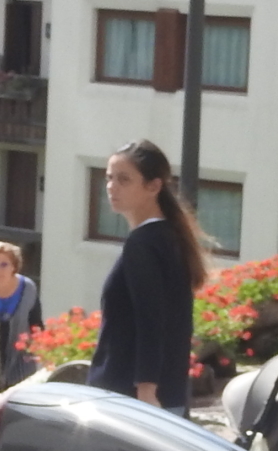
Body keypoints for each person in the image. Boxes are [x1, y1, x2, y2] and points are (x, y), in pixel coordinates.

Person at [86, 139, 206, 412]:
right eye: (109, 178)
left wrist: (146, 389)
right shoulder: (168, 236)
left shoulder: (143, 243)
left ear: (153, 186)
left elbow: (151, 319)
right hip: (164, 394)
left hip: (129, 397)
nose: (111, 187)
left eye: (124, 179)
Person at [0, 240, 42, 397]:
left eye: (4, 264)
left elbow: (36, 325)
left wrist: (37, 352)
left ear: (14, 265)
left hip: (21, 361)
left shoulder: (28, 288)